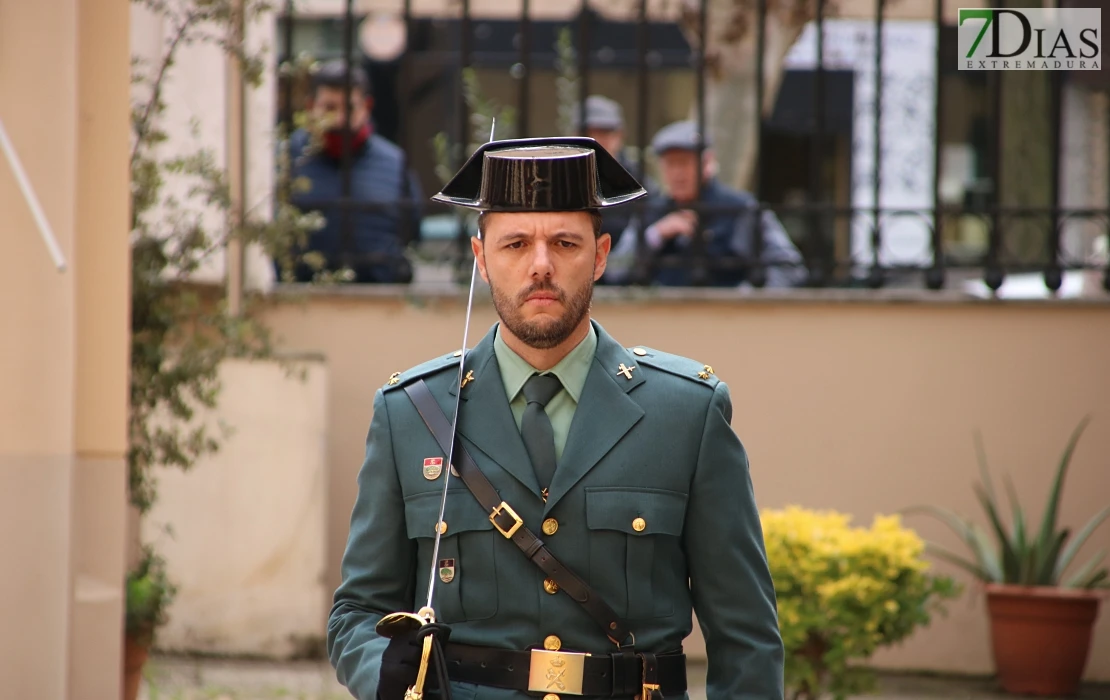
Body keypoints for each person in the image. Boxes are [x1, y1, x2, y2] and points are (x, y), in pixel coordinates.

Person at [327, 136, 785, 700]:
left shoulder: (686, 412)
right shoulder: (410, 414)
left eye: (564, 242)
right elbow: (357, 613)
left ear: (600, 254)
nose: (540, 265)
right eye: (515, 243)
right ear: (481, 260)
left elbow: (746, 639)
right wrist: (395, 680)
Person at [604, 120, 806, 288]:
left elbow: (789, 267)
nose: (677, 173)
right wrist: (656, 234)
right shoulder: (651, 211)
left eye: (684, 163)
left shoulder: (740, 209)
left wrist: (743, 301)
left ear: (707, 163)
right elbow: (614, 271)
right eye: (670, 164)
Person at [280, 59, 423, 284]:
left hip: (380, 303)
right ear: (310, 107)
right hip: (300, 298)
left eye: (350, 107)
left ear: (366, 106)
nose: (340, 119)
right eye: (329, 108)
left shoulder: (394, 164)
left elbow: (412, 231)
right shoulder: (286, 159)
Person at [571, 95, 657, 251]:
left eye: (604, 133)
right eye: (589, 133)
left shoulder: (638, 181)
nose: (596, 141)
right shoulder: (561, 177)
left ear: (620, 136)